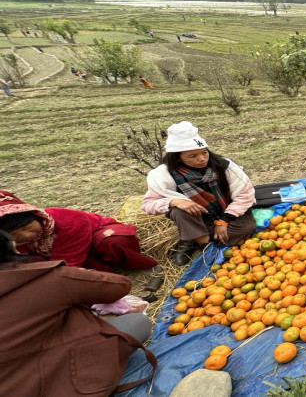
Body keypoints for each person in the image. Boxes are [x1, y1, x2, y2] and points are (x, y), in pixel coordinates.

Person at [0, 251, 156, 396]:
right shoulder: (46, 278)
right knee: (137, 322)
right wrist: (81, 275)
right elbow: (120, 286)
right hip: (74, 382)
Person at [141, 121, 256, 266]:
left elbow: (245, 194)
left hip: (227, 210)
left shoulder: (224, 166)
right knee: (178, 211)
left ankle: (192, 237)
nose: (202, 159)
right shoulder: (164, 175)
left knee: (246, 228)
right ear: (178, 157)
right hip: (198, 217)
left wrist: (224, 220)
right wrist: (174, 201)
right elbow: (148, 205)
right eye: (192, 156)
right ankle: (198, 240)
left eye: (204, 152)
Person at [0, 190, 158, 272]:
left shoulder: (67, 221)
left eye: (27, 227)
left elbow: (68, 264)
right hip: (62, 256)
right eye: (14, 236)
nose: (27, 235)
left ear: (35, 215)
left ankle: (137, 264)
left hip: (93, 236)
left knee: (113, 241)